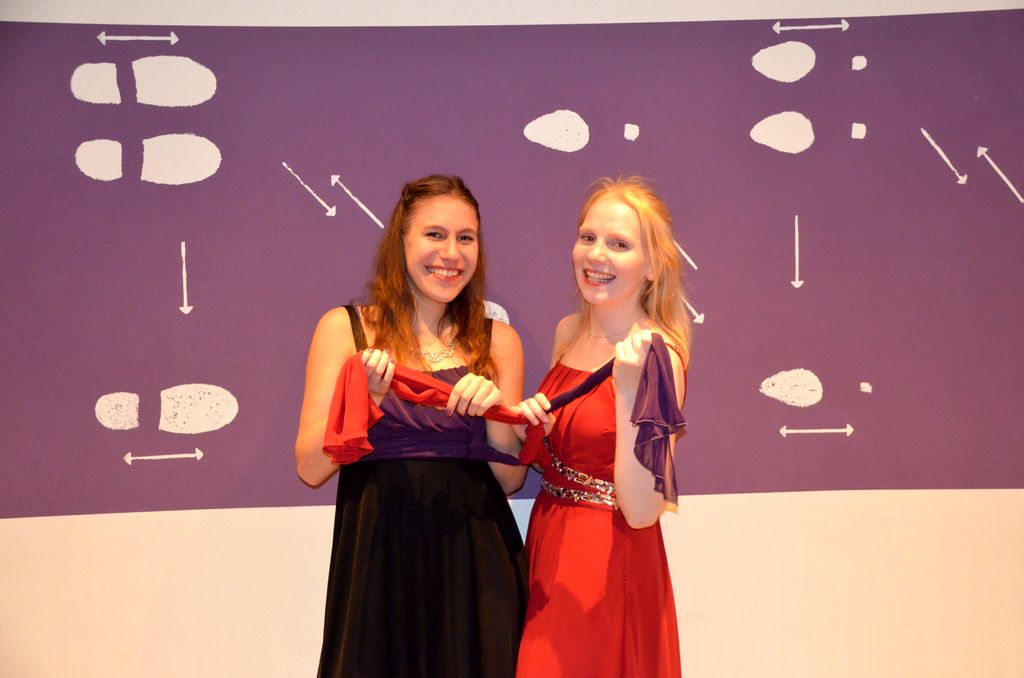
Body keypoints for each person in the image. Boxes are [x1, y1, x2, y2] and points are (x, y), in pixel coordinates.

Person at [294, 175, 529, 678]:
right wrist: (365, 402)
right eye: (434, 234)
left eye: (466, 238)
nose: (451, 253)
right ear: (400, 240)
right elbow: (310, 467)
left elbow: (511, 480)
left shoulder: (499, 342)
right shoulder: (345, 330)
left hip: (477, 565)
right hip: (378, 561)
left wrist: (492, 414)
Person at [514, 177, 690, 678]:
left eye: (619, 244)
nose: (596, 255)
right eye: (588, 237)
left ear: (653, 266)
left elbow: (642, 511)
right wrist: (534, 426)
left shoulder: (657, 355)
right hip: (549, 538)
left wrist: (629, 393)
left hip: (610, 559)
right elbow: (560, 452)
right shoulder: (567, 332)